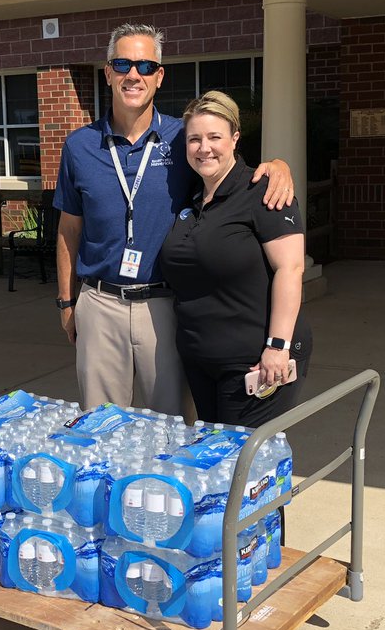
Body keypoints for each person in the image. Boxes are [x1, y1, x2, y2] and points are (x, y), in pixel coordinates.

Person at [55, 23, 294, 415]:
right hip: (98, 303)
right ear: (108, 72)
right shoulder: (80, 146)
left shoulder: (183, 138)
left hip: (163, 304)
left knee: (168, 427)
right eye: (123, 64)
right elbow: (69, 229)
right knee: (96, 428)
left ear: (159, 76)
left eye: (146, 65)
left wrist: (280, 165)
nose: (134, 74)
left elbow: (231, 170)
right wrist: (67, 302)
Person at [159, 90, 312, 426]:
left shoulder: (264, 190)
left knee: (246, 465)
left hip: (255, 361)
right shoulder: (191, 195)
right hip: (201, 359)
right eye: (194, 139)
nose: (204, 147)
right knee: (217, 462)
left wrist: (277, 345)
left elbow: (291, 267)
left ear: (235, 139)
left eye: (215, 137)